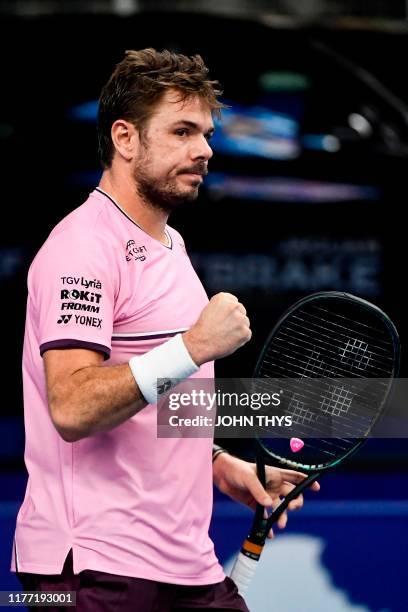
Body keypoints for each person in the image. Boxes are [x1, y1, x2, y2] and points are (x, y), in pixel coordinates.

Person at [11, 48, 319, 611]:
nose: (203, 150)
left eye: (205, 133)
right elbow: (74, 408)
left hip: (183, 562)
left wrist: (220, 466)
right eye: (181, 131)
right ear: (125, 139)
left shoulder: (169, 245)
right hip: (95, 570)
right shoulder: (82, 248)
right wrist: (195, 345)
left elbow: (156, 401)